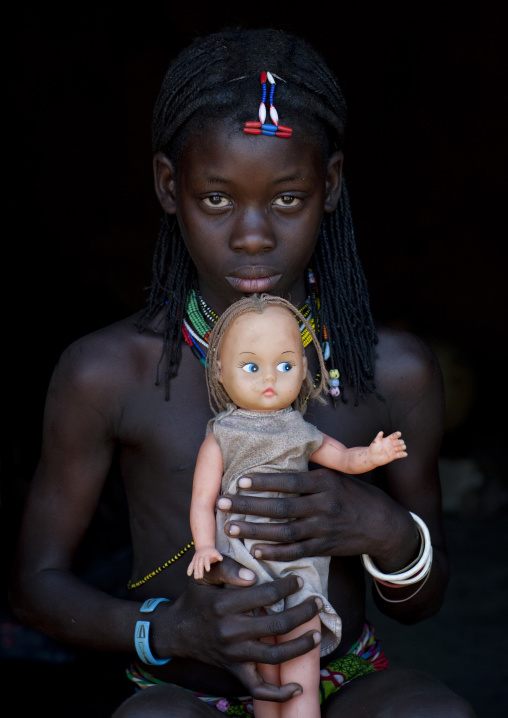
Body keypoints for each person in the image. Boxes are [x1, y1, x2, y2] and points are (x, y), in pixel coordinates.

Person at [9, 26, 475, 718]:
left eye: (287, 199)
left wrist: (389, 532)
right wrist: (170, 630)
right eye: (217, 199)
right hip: (181, 690)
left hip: (339, 682)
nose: (252, 235)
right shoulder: (109, 373)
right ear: (170, 187)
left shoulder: (395, 371)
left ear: (331, 184)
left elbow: (421, 603)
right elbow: (35, 586)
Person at [187, 294, 409, 717]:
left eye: (286, 366)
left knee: (300, 671)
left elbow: (344, 458)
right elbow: (202, 501)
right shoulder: (221, 435)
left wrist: (373, 455)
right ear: (219, 370)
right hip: (246, 577)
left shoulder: (300, 430)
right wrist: (203, 547)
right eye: (251, 367)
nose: (269, 379)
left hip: (301, 574)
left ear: (304, 370)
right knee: (267, 681)